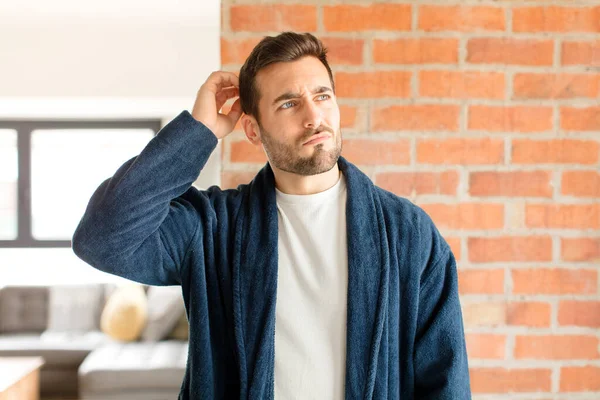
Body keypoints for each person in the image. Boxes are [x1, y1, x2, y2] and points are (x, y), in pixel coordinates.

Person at [72, 31, 471, 399]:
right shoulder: (212, 228)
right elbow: (103, 237)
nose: (314, 116)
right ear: (252, 129)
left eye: (323, 95)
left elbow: (445, 379)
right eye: (289, 103)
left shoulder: (407, 232)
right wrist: (198, 131)